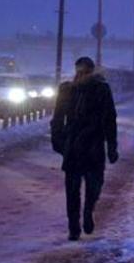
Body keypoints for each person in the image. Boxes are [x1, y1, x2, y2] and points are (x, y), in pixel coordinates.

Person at [50, 57, 118, 241]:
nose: (80, 74)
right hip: (80, 146)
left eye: (83, 70)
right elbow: (57, 118)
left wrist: (112, 145)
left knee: (87, 187)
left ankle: (86, 213)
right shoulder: (69, 89)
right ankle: (75, 225)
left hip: (86, 145)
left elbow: (110, 119)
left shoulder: (100, 89)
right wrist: (58, 140)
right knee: (77, 188)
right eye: (79, 70)